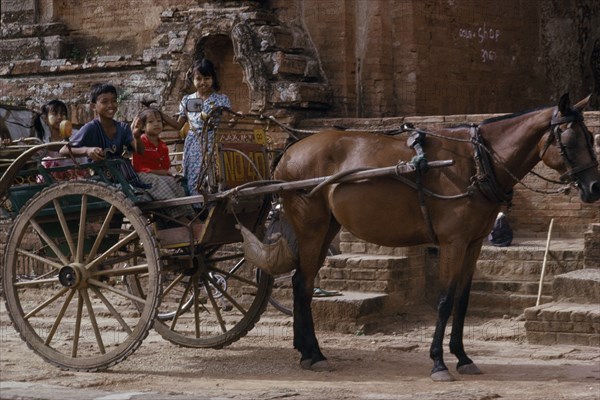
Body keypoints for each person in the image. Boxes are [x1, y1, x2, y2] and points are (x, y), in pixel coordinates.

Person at [161, 58, 231, 197]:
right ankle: (196, 207)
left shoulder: (221, 99)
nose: (203, 82)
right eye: (198, 78)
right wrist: (161, 115)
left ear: (213, 78)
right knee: (194, 175)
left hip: (213, 143)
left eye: (207, 78)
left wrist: (235, 118)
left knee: (213, 175)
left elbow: (228, 122)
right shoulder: (187, 100)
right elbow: (178, 125)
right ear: (192, 79)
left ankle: (212, 205)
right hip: (193, 144)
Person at [59, 83, 146, 187]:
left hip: (122, 175)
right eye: (105, 102)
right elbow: (63, 150)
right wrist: (87, 150)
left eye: (114, 101)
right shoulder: (90, 128)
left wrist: (137, 136)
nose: (111, 105)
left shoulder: (123, 128)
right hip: (100, 179)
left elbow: (140, 150)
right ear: (93, 106)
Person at [131, 107, 194, 221]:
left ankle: (191, 216)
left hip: (160, 175)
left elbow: (165, 167)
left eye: (159, 121)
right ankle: (180, 218)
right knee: (161, 184)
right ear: (143, 127)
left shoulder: (163, 146)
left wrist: (168, 174)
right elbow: (140, 167)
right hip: (143, 176)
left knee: (176, 184)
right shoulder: (141, 141)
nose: (156, 124)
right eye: (151, 122)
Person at [35, 100, 88, 182]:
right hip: (54, 182)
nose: (59, 117)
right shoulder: (45, 141)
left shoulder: (75, 135)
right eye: (55, 114)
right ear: (46, 119)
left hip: (76, 176)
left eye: (63, 114)